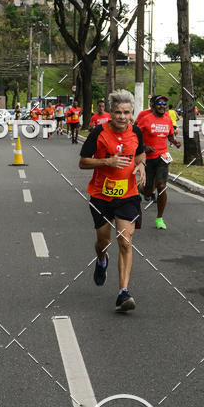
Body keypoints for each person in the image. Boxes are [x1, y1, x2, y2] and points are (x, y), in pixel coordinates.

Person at [79, 89, 146, 312]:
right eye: (117, 112)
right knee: (103, 241)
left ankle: (123, 292)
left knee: (125, 241)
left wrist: (141, 165)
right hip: (101, 196)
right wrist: (106, 161)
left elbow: (140, 153)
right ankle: (101, 260)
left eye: (126, 112)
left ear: (131, 113)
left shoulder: (136, 131)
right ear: (110, 112)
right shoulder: (98, 133)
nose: (122, 117)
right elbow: (83, 162)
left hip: (128, 195)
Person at [135, 94, 181, 230]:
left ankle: (159, 218)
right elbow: (134, 136)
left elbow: (170, 135)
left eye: (164, 103)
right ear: (153, 105)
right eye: (159, 103)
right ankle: (140, 188)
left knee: (161, 185)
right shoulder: (145, 119)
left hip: (163, 157)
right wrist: (144, 147)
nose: (162, 105)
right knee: (148, 191)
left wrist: (175, 142)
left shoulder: (167, 119)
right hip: (148, 158)